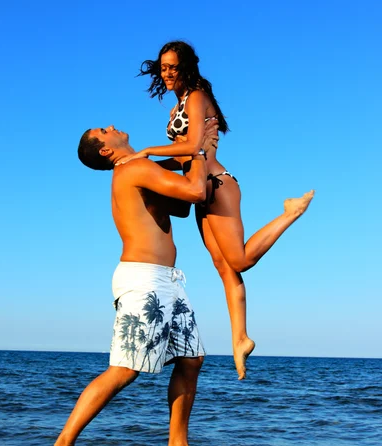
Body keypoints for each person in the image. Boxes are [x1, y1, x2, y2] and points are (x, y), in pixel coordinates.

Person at [117, 41, 315, 380]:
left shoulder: (195, 96)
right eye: (163, 67)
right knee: (224, 267)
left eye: (173, 67)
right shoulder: (178, 105)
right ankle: (240, 339)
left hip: (218, 184)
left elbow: (194, 146)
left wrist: (146, 151)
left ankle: (290, 212)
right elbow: (184, 156)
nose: (166, 73)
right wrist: (147, 165)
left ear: (187, 68)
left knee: (239, 260)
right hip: (202, 188)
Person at [47, 124, 218, 446]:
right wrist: (198, 150)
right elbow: (197, 192)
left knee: (190, 359)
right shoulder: (133, 168)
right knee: (125, 368)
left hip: (167, 280)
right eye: (103, 130)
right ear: (106, 150)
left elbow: (182, 206)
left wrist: (186, 153)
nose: (111, 127)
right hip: (143, 281)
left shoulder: (141, 168)